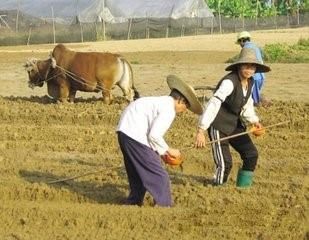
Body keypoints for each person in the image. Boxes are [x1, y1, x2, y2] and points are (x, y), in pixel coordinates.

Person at [117, 75, 203, 207]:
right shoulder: (169, 110)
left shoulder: (160, 102)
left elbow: (151, 135)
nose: (184, 111)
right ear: (180, 100)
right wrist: (169, 150)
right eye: (186, 106)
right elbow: (154, 135)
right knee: (160, 176)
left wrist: (161, 152)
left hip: (125, 132)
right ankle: (164, 206)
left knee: (137, 171)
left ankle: (134, 202)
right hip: (135, 134)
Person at [195, 48, 271, 187]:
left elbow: (247, 103)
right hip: (218, 125)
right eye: (246, 65)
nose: (249, 69)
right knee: (225, 164)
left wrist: (255, 121)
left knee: (251, 154)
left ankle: (242, 189)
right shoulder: (229, 82)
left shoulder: (250, 82)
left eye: (252, 66)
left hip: (235, 125)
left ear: (255, 69)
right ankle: (217, 189)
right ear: (239, 66)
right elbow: (214, 103)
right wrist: (201, 130)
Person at [236, 31, 271, 107]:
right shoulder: (256, 46)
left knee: (253, 97)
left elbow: (242, 62)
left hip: (253, 76)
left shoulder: (245, 49)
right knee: (255, 93)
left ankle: (257, 106)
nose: (240, 45)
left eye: (239, 42)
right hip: (261, 76)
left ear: (242, 40)